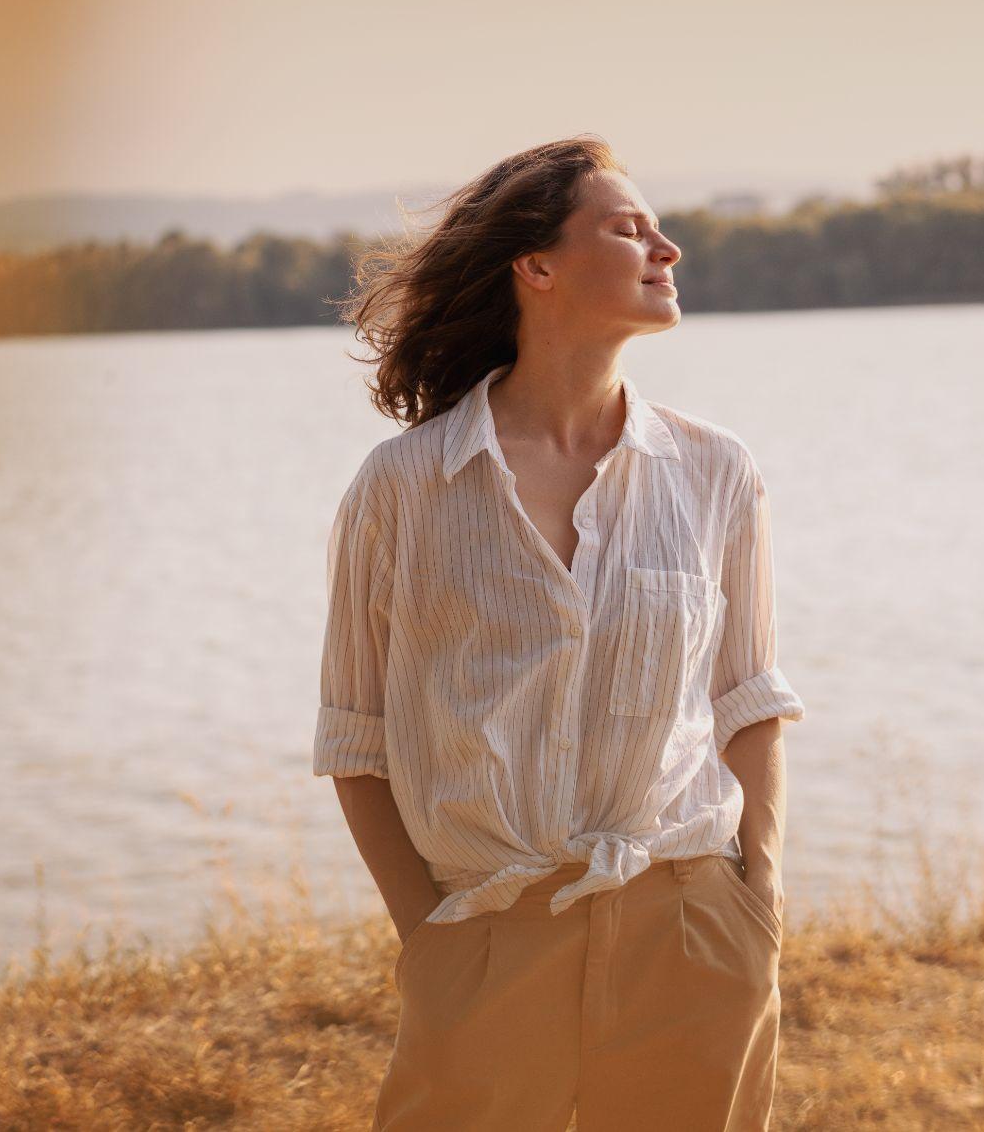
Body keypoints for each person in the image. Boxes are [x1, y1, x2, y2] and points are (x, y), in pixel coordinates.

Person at [312, 135, 808, 1131]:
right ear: (533, 267)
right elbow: (356, 739)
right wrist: (433, 941)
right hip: (489, 937)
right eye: (627, 229)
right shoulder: (403, 489)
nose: (665, 248)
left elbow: (747, 700)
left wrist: (756, 903)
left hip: (689, 931)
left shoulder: (716, 472)